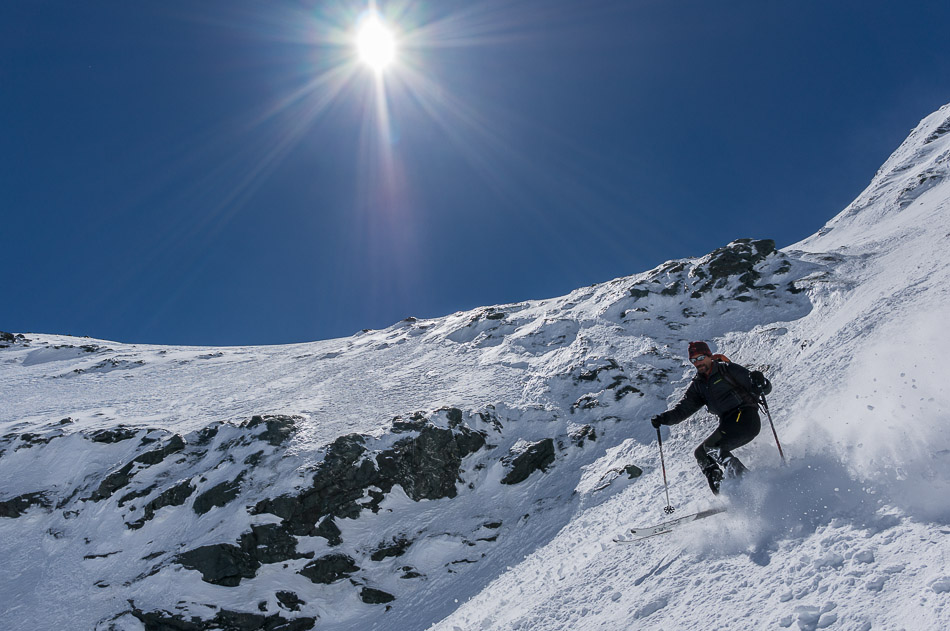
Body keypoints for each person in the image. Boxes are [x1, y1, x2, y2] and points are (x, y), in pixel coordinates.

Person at [650, 341, 771, 494]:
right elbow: (683, 410)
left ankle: (747, 481)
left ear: (709, 356)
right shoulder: (699, 385)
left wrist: (762, 382)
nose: (697, 363)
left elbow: (761, 388)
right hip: (728, 423)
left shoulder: (727, 369)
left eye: (700, 358)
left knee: (713, 448)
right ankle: (725, 492)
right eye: (693, 360)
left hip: (745, 417)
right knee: (701, 454)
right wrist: (663, 419)